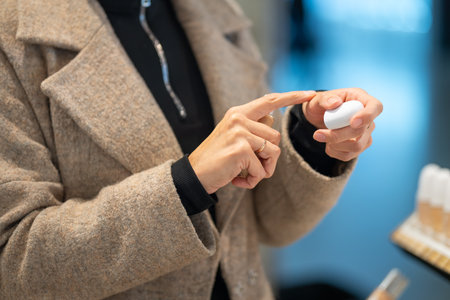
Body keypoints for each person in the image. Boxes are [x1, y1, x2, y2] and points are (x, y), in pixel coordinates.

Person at [0, 0, 382, 299]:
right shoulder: (13, 39)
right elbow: (13, 262)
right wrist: (187, 183)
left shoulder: (215, 13)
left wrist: (309, 140)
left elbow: (266, 224)